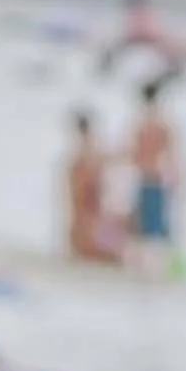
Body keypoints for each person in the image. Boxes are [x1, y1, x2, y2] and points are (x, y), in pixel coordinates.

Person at [127, 76, 184, 279]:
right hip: (158, 177)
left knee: (148, 223)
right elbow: (173, 153)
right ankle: (163, 264)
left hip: (147, 176)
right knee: (157, 223)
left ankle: (152, 265)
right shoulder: (162, 123)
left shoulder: (142, 124)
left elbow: (134, 153)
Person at [65, 109, 125, 265]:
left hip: (88, 225)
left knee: (119, 244)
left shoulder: (83, 157)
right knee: (117, 249)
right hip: (89, 227)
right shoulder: (83, 160)